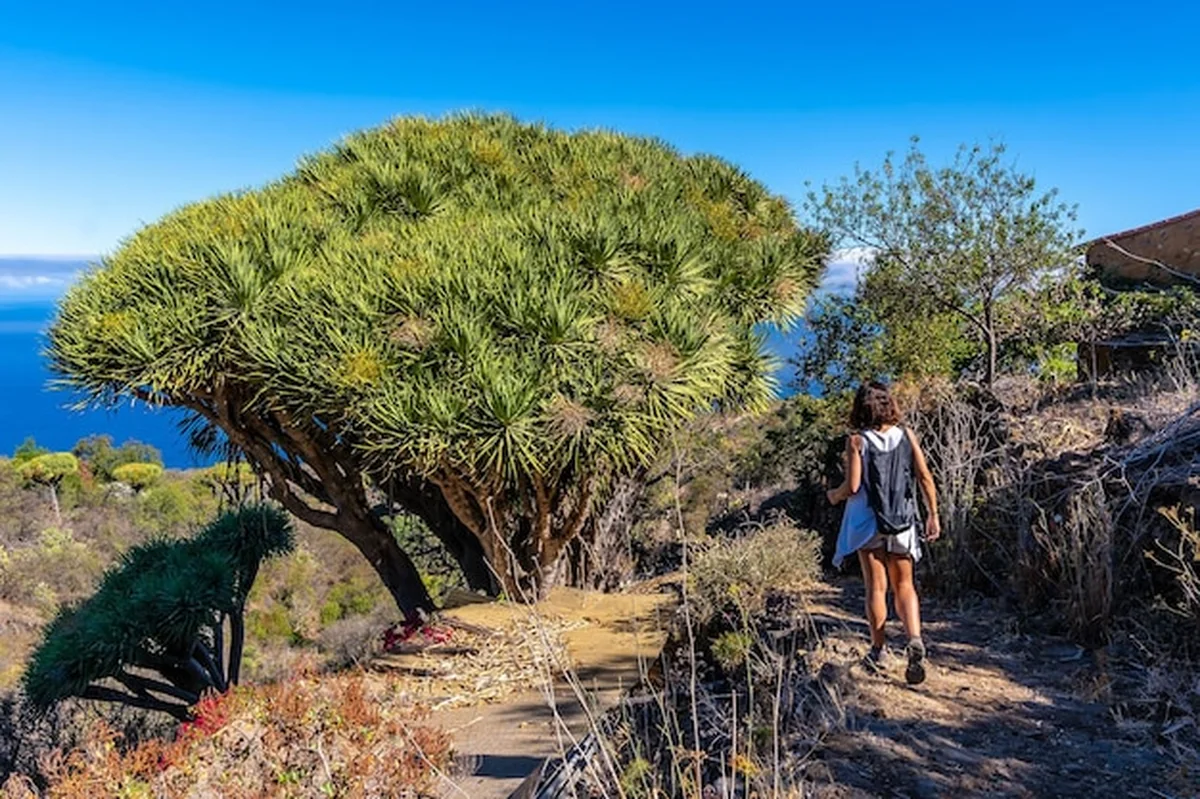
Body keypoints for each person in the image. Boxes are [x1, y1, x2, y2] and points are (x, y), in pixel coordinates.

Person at [826, 380, 940, 685]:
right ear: (889, 404)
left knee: (876, 587)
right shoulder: (907, 435)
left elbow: (853, 487)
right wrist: (933, 513)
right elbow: (924, 476)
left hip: (867, 522)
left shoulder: (857, 441)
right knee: (905, 585)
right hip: (902, 521)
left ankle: (878, 650)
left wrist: (834, 495)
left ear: (861, 408)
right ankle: (914, 638)